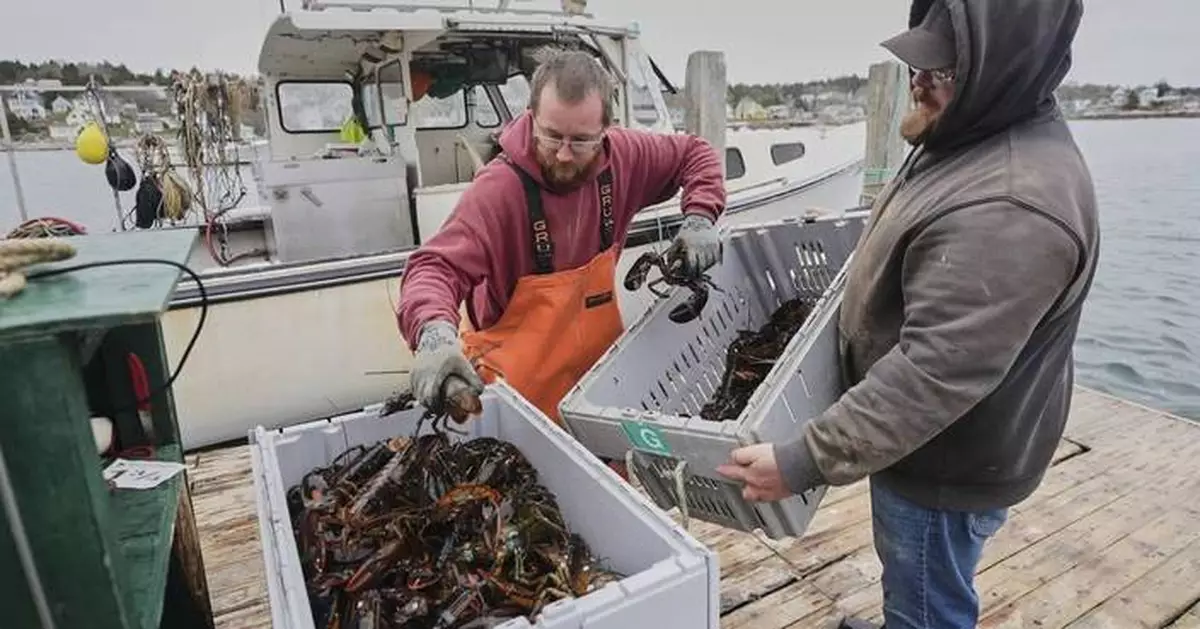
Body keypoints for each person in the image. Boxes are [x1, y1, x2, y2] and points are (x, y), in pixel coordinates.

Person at [715, 0, 1099, 627]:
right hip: (921, 447)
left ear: (1001, 72)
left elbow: (933, 374)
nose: (917, 81)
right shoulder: (975, 129)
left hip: (947, 462)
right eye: (917, 65)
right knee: (912, 574)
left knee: (928, 589)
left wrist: (802, 460)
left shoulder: (1012, 206)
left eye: (941, 71)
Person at [396, 48, 726, 434]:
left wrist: (700, 216)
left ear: (607, 129)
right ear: (532, 117)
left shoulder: (625, 156)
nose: (565, 155)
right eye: (551, 136)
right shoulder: (499, 190)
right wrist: (434, 333)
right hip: (519, 396)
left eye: (582, 141)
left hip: (596, 390)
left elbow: (695, 153)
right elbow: (434, 268)